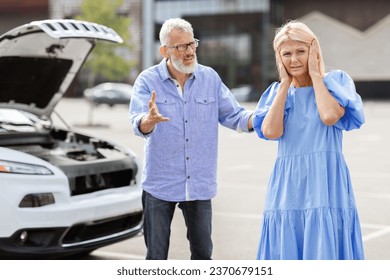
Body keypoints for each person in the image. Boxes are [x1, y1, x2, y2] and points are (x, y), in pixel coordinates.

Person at [129, 18, 253, 260]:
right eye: (181, 47)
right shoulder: (147, 80)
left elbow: (235, 115)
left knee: (203, 255)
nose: (189, 51)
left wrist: (263, 119)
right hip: (159, 184)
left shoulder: (210, 78)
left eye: (192, 44)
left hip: (198, 184)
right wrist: (149, 121)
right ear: (164, 51)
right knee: (156, 257)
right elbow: (138, 122)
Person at [252, 20, 365, 260]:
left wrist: (315, 75)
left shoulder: (336, 82)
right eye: (287, 54)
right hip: (288, 183)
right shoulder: (276, 93)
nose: (294, 60)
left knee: (324, 243)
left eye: (301, 51)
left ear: (314, 51)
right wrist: (284, 84)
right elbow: (271, 132)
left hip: (325, 181)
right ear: (278, 58)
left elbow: (329, 115)